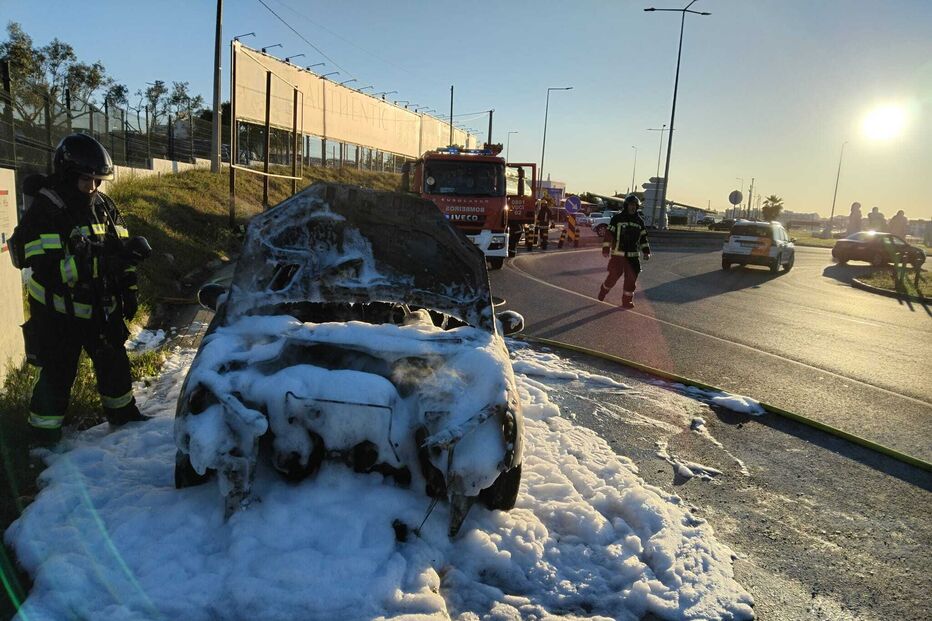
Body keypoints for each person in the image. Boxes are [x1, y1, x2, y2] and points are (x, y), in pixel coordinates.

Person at [15, 134, 150, 444]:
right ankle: (43, 439)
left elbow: (120, 247)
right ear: (68, 174)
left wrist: (128, 287)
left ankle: (123, 416)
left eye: (97, 180)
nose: (92, 187)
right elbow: (48, 269)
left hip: (100, 306)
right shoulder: (47, 211)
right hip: (58, 312)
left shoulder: (103, 205)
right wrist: (102, 263)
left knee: (113, 361)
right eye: (86, 180)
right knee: (57, 373)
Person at [597, 194, 650, 308]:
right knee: (613, 277)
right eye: (631, 205)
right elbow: (609, 234)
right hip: (618, 255)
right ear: (626, 205)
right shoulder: (617, 219)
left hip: (633, 257)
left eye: (635, 205)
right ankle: (604, 290)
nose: (633, 207)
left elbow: (643, 238)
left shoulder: (639, 221)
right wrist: (606, 249)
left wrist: (646, 251)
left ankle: (627, 301)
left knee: (631, 280)